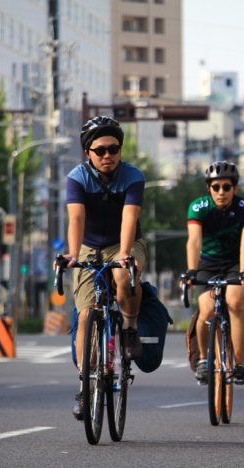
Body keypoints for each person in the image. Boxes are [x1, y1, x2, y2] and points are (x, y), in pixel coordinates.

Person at [63, 116, 148, 421]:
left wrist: (125, 255)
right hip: (89, 245)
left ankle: (129, 327)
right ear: (88, 152)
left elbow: (129, 219)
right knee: (85, 314)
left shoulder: (133, 176)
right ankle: (85, 388)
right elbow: (75, 220)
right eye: (100, 150)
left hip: (124, 242)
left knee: (124, 275)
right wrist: (73, 254)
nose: (107, 155)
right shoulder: (76, 177)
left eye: (113, 148)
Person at [183, 161, 244, 386]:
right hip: (208, 262)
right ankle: (204, 361)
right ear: (209, 189)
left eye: (226, 187)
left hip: (236, 261)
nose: (221, 192)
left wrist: (243, 273)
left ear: (235, 188)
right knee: (206, 309)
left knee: (235, 302)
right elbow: (194, 241)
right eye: (216, 187)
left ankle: (240, 364)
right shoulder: (198, 207)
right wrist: (191, 271)